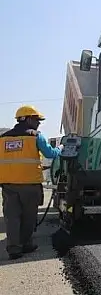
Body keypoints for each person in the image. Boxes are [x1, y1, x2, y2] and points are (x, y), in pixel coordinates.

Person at [0, 105, 61, 260]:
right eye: (36, 120)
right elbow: (50, 153)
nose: (39, 123)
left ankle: (14, 249)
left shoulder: (3, 138)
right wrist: (61, 148)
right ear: (26, 119)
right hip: (29, 184)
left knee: (12, 217)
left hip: (8, 185)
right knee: (28, 216)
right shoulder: (36, 136)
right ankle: (26, 245)